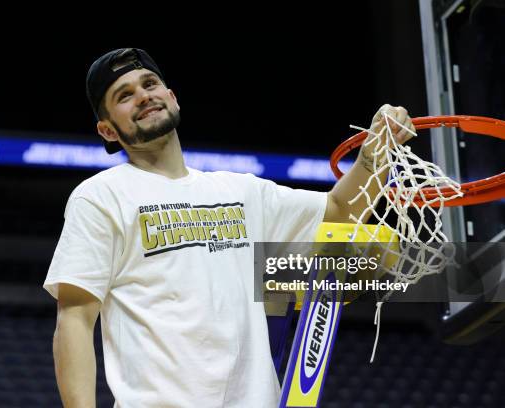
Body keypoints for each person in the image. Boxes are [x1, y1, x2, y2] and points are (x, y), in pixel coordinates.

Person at [43, 48, 414, 408]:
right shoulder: (100, 196)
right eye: (125, 95)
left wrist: (377, 150)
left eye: (150, 83)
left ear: (172, 98)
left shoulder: (241, 191)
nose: (143, 96)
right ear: (107, 131)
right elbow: (75, 319)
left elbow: (338, 210)